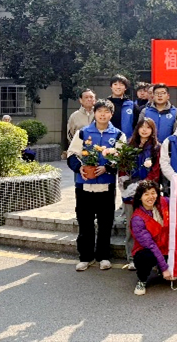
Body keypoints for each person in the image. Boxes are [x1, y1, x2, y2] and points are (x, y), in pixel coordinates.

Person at [67, 99, 127, 272]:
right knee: (85, 222)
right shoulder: (83, 133)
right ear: (94, 113)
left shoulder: (118, 135)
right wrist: (80, 168)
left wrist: (107, 167)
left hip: (106, 186)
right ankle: (85, 257)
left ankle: (103, 256)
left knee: (105, 222)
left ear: (111, 114)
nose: (103, 114)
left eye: (106, 112)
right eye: (99, 111)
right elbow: (72, 154)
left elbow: (121, 157)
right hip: (84, 185)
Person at [119, 117, 162, 270]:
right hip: (130, 193)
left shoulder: (156, 148)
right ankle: (132, 257)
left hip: (148, 193)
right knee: (132, 225)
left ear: (152, 130)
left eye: (148, 127)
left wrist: (144, 187)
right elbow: (122, 169)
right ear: (137, 129)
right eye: (142, 127)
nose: (144, 130)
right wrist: (126, 184)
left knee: (150, 225)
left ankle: (151, 257)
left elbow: (156, 171)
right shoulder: (129, 146)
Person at [130, 180, 176, 295]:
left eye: (153, 193)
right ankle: (142, 280)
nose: (151, 197)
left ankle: (162, 267)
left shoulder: (163, 202)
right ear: (140, 198)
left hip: (165, 246)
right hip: (149, 250)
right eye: (146, 194)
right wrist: (165, 269)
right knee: (145, 257)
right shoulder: (137, 219)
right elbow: (151, 245)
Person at [108, 74, 138, 140]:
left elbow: (137, 125)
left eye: (121, 85)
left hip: (127, 142)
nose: (118, 87)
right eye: (115, 84)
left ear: (125, 88)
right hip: (107, 140)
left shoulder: (132, 105)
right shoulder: (105, 104)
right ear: (111, 87)